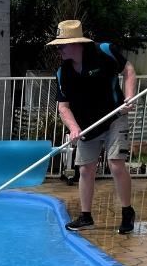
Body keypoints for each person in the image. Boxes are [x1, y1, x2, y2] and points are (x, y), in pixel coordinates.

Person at [49, 20, 138, 234]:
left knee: (115, 163)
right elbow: (63, 107)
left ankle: (127, 212)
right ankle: (86, 217)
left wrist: (129, 98)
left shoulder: (104, 52)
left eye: (62, 45)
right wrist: (73, 128)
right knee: (85, 170)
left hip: (114, 116)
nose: (59, 50)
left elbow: (128, 70)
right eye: (58, 46)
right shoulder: (63, 73)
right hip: (88, 126)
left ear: (76, 44)